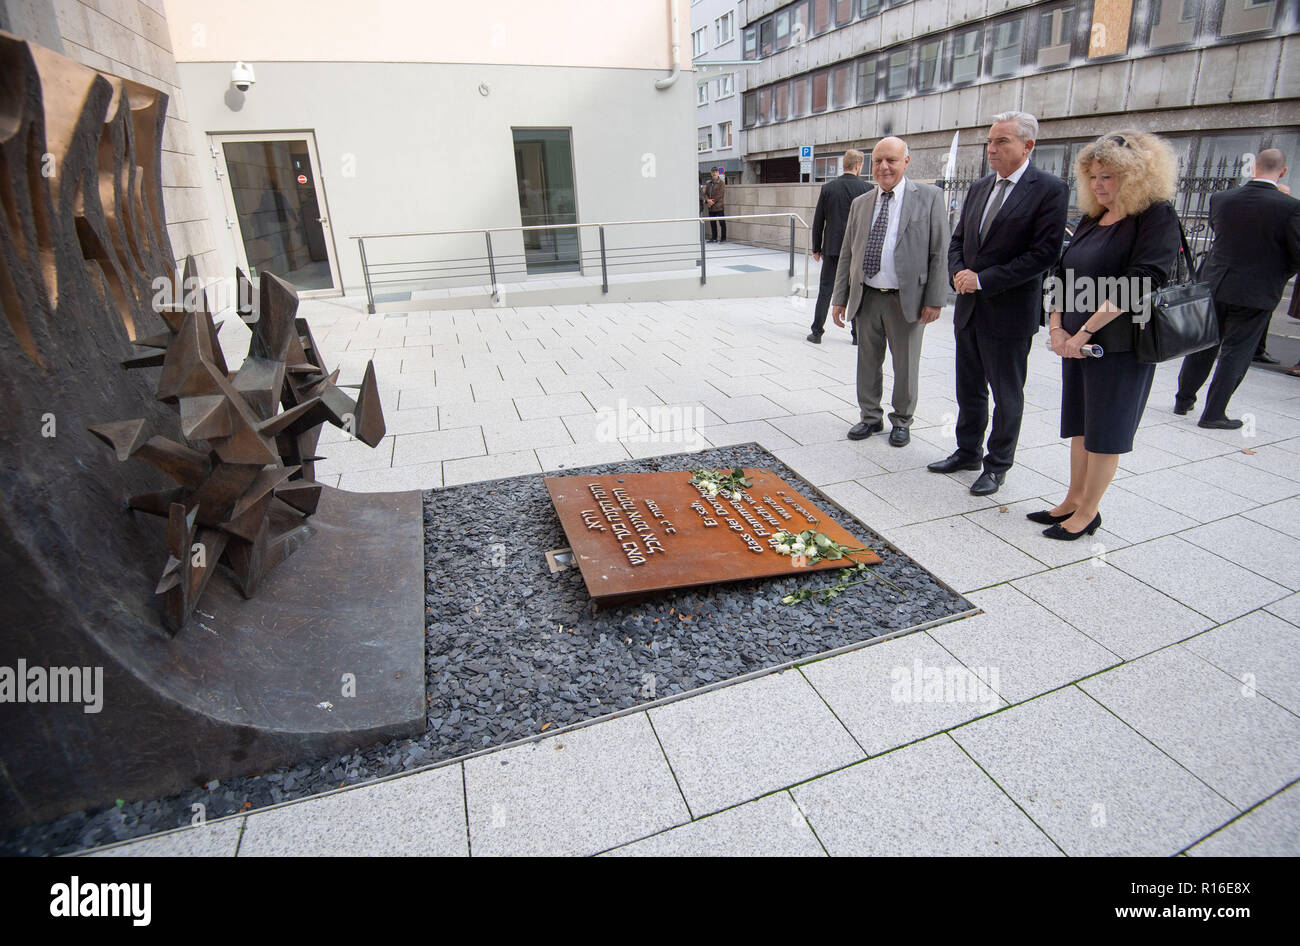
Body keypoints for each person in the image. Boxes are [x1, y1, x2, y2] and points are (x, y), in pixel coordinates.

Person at [1036, 130, 1182, 540]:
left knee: (1106, 431)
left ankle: (1088, 512)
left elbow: (1142, 281)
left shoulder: (1155, 216)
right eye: (1094, 177)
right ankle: (1071, 500)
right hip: (1075, 342)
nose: (1099, 185)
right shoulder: (1093, 216)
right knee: (1081, 424)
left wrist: (1082, 332)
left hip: (1118, 345)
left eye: (1109, 177)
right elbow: (1062, 273)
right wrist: (1056, 326)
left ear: (1136, 176)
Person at [928, 111, 1069, 496]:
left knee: (1007, 394)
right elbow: (958, 240)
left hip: (1008, 314)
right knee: (968, 388)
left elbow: (1044, 254)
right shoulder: (979, 188)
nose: (992, 149)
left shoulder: (1049, 189)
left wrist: (984, 279)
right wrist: (958, 272)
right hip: (970, 310)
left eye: (1002, 141)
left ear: (1028, 146)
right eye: (990, 141)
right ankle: (967, 451)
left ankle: (998, 464)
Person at [830, 137, 949, 448]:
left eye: (891, 160)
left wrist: (935, 299)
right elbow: (847, 253)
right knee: (867, 361)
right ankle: (870, 416)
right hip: (867, 295)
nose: (884, 167)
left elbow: (940, 252)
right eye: (878, 160)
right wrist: (839, 298)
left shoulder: (930, 198)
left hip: (906, 299)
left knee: (906, 365)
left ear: (906, 162)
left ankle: (902, 420)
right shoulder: (861, 203)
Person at [1175, 148, 1300, 427]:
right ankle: (1214, 413)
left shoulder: (1221, 198)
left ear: (1253, 167)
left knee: (1203, 344)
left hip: (1216, 281)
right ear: (1282, 172)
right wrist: (1279, 274)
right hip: (1256, 290)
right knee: (1237, 351)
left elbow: (1220, 233)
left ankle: (1183, 400)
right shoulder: (1291, 206)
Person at [808, 149, 871, 344]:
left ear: (844, 164)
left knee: (826, 288)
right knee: (856, 289)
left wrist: (816, 247)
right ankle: (857, 335)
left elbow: (819, 220)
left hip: (833, 248)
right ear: (858, 165)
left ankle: (817, 331)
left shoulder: (828, 188)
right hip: (857, 248)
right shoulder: (868, 189)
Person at [704, 168, 727, 243]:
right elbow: (705, 194)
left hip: (719, 207)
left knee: (722, 223)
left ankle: (723, 238)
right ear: (711, 173)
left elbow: (720, 195)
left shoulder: (721, 183)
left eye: (716, 172)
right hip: (711, 207)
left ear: (718, 173)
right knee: (712, 223)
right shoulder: (708, 183)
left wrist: (711, 202)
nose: (714, 173)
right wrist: (708, 200)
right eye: (713, 172)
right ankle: (714, 238)